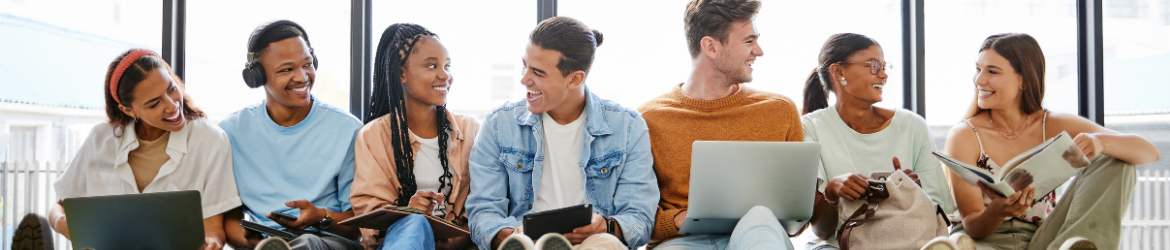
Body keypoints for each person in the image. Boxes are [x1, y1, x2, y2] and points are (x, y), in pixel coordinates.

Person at [944, 33, 1160, 250]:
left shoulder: (1051, 124)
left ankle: (1082, 243)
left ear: (1025, 81)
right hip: (984, 242)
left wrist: (1101, 142)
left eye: (992, 71)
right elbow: (972, 226)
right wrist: (998, 211)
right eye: (978, 69)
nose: (979, 80)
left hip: (1043, 241)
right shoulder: (964, 135)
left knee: (1118, 160)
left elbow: (1150, 152)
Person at [466, 16, 659, 250]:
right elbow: (483, 211)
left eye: (538, 72)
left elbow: (640, 218)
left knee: (605, 243)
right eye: (524, 65)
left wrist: (607, 226)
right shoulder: (499, 123)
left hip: (591, 243)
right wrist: (510, 234)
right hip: (527, 243)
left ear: (575, 79)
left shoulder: (628, 127)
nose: (524, 79)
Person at [636, 0, 803, 249]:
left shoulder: (780, 110)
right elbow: (634, 219)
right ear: (711, 47)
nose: (759, 51)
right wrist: (679, 219)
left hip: (758, 235)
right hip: (683, 242)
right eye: (749, 41)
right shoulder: (648, 119)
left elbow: (798, 214)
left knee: (759, 217)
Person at [47, 48, 240, 250]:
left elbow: (213, 227)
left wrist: (213, 243)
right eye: (154, 103)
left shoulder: (211, 140)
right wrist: (63, 225)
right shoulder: (101, 138)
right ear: (128, 110)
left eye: (171, 89)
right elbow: (60, 207)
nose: (172, 105)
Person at [800, 33, 956, 249]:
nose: (883, 75)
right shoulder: (810, 128)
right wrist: (832, 192)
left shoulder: (912, 126)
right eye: (873, 66)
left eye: (884, 66)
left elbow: (937, 216)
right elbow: (821, 231)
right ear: (838, 72)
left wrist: (912, 193)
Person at [219, 20, 363, 250]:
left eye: (307, 64)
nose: (302, 76)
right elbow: (230, 220)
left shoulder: (348, 130)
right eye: (287, 69)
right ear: (257, 76)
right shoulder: (230, 133)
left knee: (307, 242)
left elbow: (357, 226)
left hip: (329, 241)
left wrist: (320, 217)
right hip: (268, 243)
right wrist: (255, 243)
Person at [350, 23, 479, 250]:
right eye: (432, 65)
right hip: (397, 243)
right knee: (416, 223)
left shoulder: (470, 131)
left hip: (456, 246)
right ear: (401, 73)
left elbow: (485, 200)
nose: (445, 75)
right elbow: (370, 221)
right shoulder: (373, 136)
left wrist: (464, 236)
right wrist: (408, 213)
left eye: (447, 66)